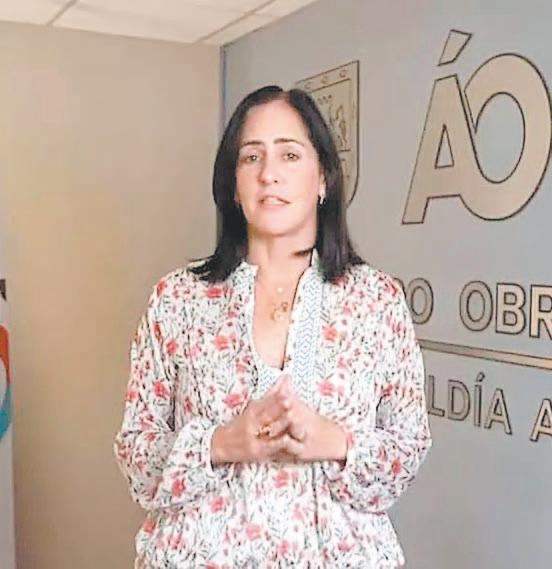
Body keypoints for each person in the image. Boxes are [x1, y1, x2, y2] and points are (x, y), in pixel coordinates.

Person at [114, 85, 432, 569]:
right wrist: (221, 443)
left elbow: (407, 450)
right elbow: (137, 456)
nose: (269, 174)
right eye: (251, 157)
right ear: (233, 186)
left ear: (323, 178)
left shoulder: (378, 301)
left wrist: (334, 442)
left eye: (290, 154)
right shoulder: (177, 299)